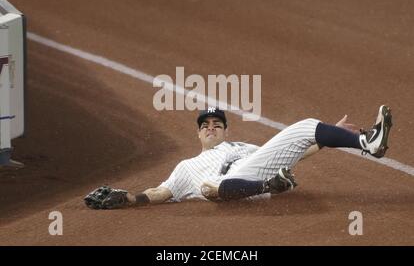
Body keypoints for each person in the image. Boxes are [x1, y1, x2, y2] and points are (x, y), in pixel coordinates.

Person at [84, 105, 392, 209]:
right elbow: (159, 193)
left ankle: (368, 142)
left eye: (217, 125)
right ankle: (269, 186)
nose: (211, 128)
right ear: (198, 134)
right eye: (205, 125)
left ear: (225, 131)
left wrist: (326, 135)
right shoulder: (185, 167)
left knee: (306, 126)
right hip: (230, 189)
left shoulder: (245, 148)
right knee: (208, 187)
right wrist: (128, 199)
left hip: (255, 171)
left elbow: (294, 153)